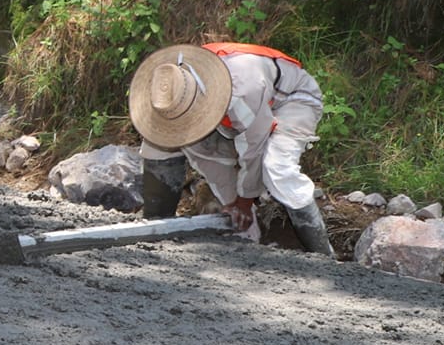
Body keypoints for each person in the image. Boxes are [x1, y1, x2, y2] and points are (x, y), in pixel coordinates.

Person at [129, 42, 334, 256]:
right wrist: (233, 203)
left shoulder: (241, 92)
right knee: (172, 143)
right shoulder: (173, 81)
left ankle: (323, 255)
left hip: (292, 100)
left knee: (278, 169)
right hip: (240, 107)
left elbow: (254, 148)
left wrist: (244, 202)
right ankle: (162, 226)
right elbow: (205, 155)